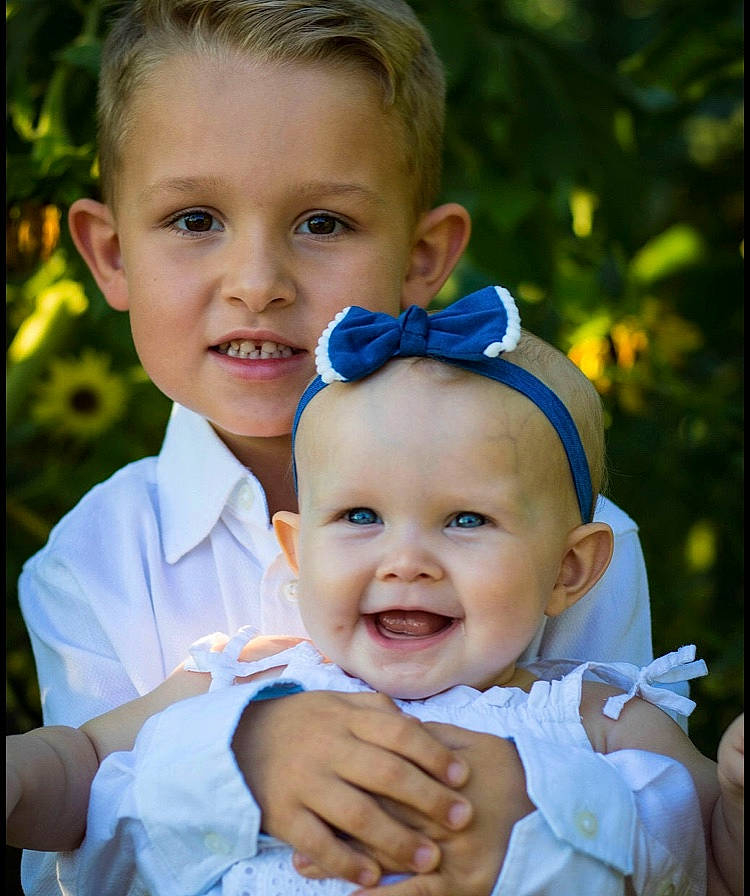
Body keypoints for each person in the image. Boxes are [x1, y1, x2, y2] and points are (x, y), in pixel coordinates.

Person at [15, 0, 675, 893]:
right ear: (110, 253)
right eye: (194, 219)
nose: (257, 284)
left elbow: (670, 820)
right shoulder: (96, 562)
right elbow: (73, 860)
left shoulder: (572, 531)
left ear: (422, 257)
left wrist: (542, 807)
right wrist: (234, 763)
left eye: (323, 222)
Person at [8, 287, 744, 896]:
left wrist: (738, 803)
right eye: (360, 516)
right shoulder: (245, 676)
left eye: (466, 519)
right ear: (297, 553)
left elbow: (714, 864)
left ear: (568, 572)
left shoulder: (600, 719)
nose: (407, 561)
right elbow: (78, 768)